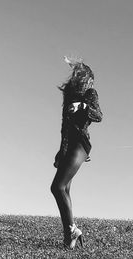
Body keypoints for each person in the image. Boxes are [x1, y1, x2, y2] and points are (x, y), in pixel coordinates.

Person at [51, 56, 103, 249]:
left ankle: (72, 231)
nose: (76, 76)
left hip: (81, 144)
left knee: (57, 187)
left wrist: (82, 106)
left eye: (79, 74)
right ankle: (69, 238)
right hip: (68, 145)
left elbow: (98, 116)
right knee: (64, 189)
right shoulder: (69, 96)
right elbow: (64, 126)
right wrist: (60, 151)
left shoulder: (90, 93)